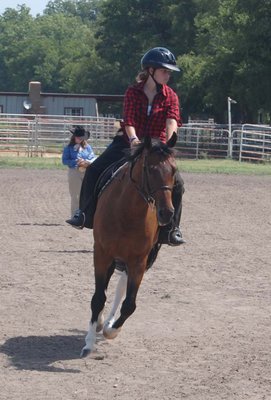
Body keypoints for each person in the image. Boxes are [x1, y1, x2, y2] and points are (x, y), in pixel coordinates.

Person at [66, 47, 185, 246]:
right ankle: (84, 214)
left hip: (156, 146)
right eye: (165, 70)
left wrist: (168, 142)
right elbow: (128, 120)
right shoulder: (132, 92)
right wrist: (133, 139)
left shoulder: (171, 95)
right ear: (150, 70)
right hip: (128, 141)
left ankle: (172, 230)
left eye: (169, 71)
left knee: (178, 184)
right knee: (94, 169)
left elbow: (172, 120)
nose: (168, 74)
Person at [62, 125, 96, 217]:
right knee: (75, 195)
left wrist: (87, 162)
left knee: (86, 194)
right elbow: (64, 161)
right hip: (74, 172)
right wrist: (75, 162)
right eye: (78, 138)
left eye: (82, 138)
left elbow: (93, 157)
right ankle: (75, 215)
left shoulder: (87, 147)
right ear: (74, 137)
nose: (80, 139)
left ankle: (85, 214)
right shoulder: (68, 148)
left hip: (86, 171)